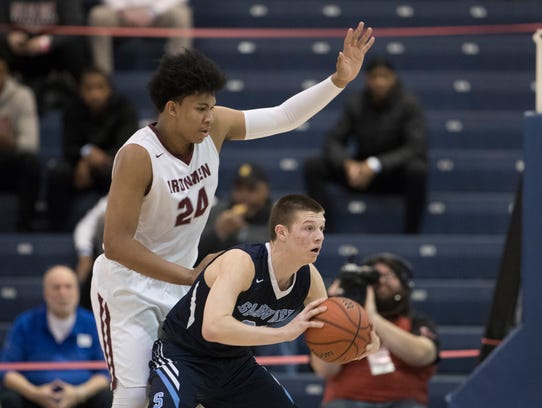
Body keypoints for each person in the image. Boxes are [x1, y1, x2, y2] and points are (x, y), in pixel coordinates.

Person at [90, 22, 375, 408]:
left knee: (191, 384)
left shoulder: (216, 128)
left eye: (212, 106)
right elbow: (116, 244)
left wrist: (337, 81)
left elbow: (282, 118)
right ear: (172, 108)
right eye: (200, 109)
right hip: (128, 285)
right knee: (136, 394)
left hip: (181, 282)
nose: (210, 117)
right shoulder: (138, 156)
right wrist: (191, 275)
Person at [147, 194, 380, 408]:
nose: (319, 236)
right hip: (183, 356)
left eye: (321, 228)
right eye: (309, 228)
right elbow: (214, 328)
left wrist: (358, 345)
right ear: (282, 232)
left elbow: (327, 333)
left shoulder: (309, 279)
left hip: (235, 364)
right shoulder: (242, 262)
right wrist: (284, 333)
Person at [304, 56, 428, 234]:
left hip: (393, 175)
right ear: (367, 79)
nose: (379, 82)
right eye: (374, 77)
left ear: (393, 78)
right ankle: (324, 230)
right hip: (359, 174)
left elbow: (415, 147)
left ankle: (411, 234)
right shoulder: (357, 103)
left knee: (418, 170)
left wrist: (376, 164)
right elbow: (334, 139)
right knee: (313, 166)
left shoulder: (409, 105)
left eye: (384, 76)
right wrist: (346, 163)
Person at [310, 252, 439, 408]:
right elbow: (324, 370)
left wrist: (372, 317)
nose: (381, 282)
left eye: (388, 275)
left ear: (404, 283)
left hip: (402, 402)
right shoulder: (343, 322)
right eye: (374, 277)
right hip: (346, 401)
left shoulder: (416, 321)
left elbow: (423, 355)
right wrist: (332, 308)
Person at [0, 265, 112, 408]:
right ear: (45, 293)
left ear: (77, 291)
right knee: (10, 398)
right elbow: (7, 370)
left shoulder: (93, 323)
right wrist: (34, 393)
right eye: (56, 287)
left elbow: (106, 371)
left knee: (106, 397)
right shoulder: (25, 323)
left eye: (68, 287)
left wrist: (79, 393)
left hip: (82, 397)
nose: (63, 293)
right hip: (34, 396)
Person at [46, 67, 138, 232]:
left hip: (112, 164)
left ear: (109, 89)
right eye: (89, 88)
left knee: (120, 175)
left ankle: (120, 230)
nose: (95, 94)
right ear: (80, 91)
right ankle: (56, 230)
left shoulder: (124, 108)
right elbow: (69, 147)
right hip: (79, 164)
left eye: (100, 87)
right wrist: (87, 155)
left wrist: (99, 159)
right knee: (57, 174)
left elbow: (127, 146)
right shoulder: (72, 109)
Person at [0, 0, 90, 113]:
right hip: (16, 51)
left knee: (74, 45)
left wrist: (46, 42)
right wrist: (8, 37)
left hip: (52, 53)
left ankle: (76, 91)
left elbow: (74, 27)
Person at [88, 0, 193, 75]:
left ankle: (179, 74)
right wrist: (122, 10)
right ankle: (102, 76)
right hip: (122, 12)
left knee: (181, 15)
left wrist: (153, 12)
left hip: (159, 12)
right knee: (98, 16)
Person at [197, 162, 273, 263]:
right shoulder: (217, 212)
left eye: (251, 189)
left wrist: (243, 231)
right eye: (238, 189)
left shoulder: (276, 216)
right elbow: (195, 250)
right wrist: (218, 232)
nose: (244, 195)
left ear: (265, 190)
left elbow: (272, 253)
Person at [0, 51, 40, 232]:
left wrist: (8, 141)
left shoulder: (22, 95)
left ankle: (24, 228)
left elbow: (30, 145)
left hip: (9, 162)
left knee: (30, 164)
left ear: (6, 73)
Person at [73, 195, 108, 310]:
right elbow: (85, 226)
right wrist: (85, 253)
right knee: (105, 218)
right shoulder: (118, 192)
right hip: (107, 261)